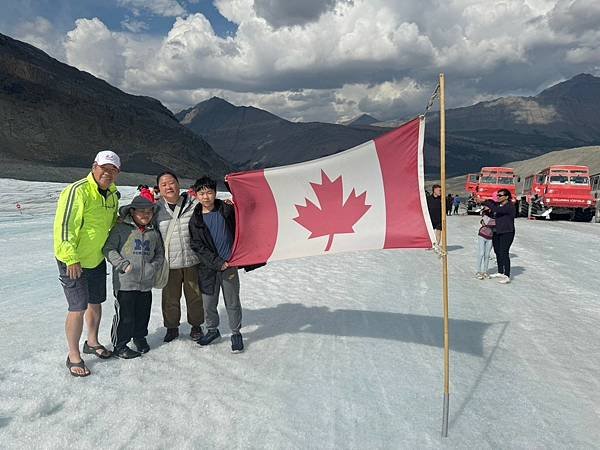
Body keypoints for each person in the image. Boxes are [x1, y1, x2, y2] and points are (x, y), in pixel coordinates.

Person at [54, 150, 121, 377]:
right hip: (74, 260)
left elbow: (112, 224)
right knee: (78, 307)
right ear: (94, 166)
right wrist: (71, 258)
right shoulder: (77, 190)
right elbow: (65, 227)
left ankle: (92, 342)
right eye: (104, 168)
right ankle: (73, 355)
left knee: (96, 302)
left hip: (97, 258)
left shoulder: (112, 195)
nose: (108, 173)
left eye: (113, 170)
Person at [188, 176, 247, 352]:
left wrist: (232, 186)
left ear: (215, 193)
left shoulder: (226, 210)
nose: (206, 197)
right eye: (202, 193)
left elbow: (245, 215)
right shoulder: (196, 220)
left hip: (229, 265)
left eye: (209, 192)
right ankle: (212, 330)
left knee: (232, 301)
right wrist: (217, 262)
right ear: (196, 195)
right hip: (208, 268)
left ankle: (236, 332)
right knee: (208, 303)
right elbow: (197, 245)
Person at [103, 195, 164, 358]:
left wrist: (154, 267)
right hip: (125, 283)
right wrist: (122, 265)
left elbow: (159, 253)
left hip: (146, 283)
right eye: (141, 211)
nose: (145, 215)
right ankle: (120, 345)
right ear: (132, 212)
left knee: (143, 313)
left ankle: (139, 337)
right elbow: (108, 249)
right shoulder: (121, 229)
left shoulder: (153, 232)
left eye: (149, 211)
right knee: (125, 315)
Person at [154, 171, 205, 342]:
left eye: (171, 182)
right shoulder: (155, 210)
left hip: (192, 260)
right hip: (169, 263)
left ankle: (196, 326)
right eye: (164, 184)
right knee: (170, 298)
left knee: (195, 295)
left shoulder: (194, 204)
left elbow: (212, 210)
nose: (169, 187)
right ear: (159, 190)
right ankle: (171, 327)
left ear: (178, 184)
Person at [488, 190, 516, 284]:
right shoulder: (498, 205)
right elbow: (494, 212)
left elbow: (498, 211)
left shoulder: (509, 206)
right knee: (497, 251)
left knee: (504, 252)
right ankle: (500, 271)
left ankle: (507, 275)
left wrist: (485, 202)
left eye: (500, 195)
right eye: (498, 195)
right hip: (497, 231)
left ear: (507, 197)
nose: (498, 197)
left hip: (507, 232)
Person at [475, 206, 495, 279]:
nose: (487, 207)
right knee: (481, 253)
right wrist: (496, 222)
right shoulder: (484, 214)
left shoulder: (494, 214)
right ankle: (478, 271)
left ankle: (485, 271)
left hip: (490, 237)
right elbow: (488, 222)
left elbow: (494, 223)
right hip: (482, 235)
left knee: (487, 255)